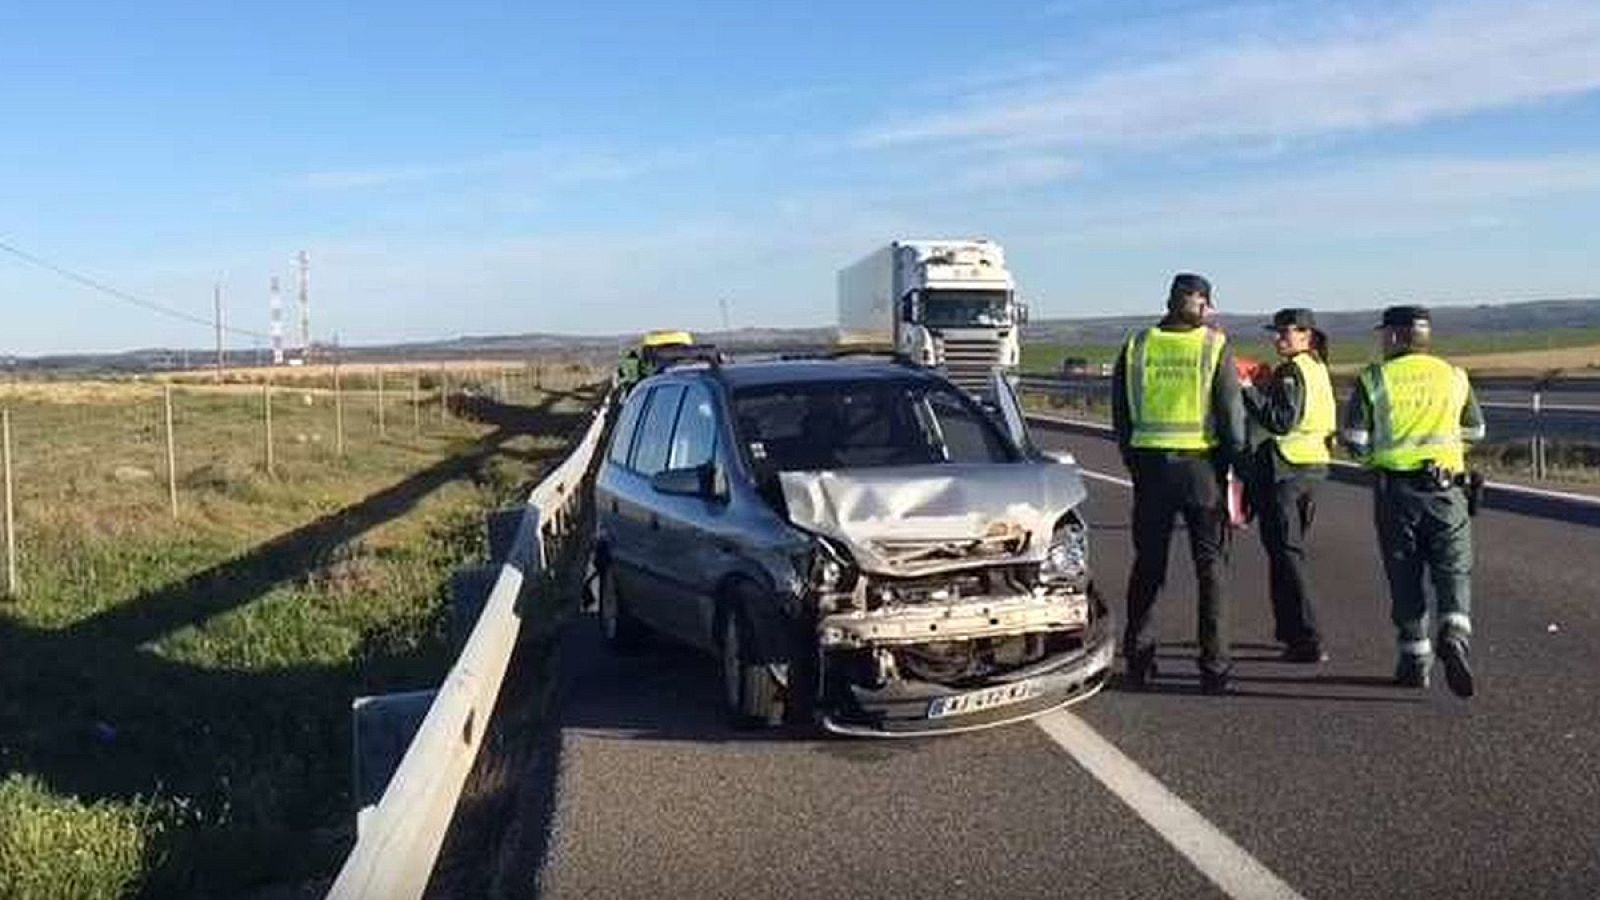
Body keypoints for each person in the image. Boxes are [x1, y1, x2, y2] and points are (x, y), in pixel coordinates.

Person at [1112, 273, 1248, 693]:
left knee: (1149, 565)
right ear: (1203, 305)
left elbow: (1121, 413)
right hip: (1201, 470)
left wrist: (1135, 461)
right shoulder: (1213, 346)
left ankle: (1138, 657)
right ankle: (1214, 665)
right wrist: (1234, 464)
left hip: (1151, 468)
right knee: (1211, 568)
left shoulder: (1136, 345)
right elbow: (1231, 415)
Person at [1341, 305, 1486, 697]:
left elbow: (1354, 442)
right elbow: (1475, 429)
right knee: (1453, 569)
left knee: (1405, 577)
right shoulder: (1454, 377)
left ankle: (1415, 662)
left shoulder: (1375, 379)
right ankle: (1454, 633)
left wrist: (1380, 460)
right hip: (1448, 490)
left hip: (1397, 493)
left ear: (1393, 336)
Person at [1241, 308, 1336, 663]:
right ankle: (1291, 633)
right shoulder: (1317, 367)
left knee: (1287, 556)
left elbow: (1281, 422)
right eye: (1276, 332)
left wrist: (1249, 390)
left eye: (1285, 333)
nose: (1277, 338)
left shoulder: (1292, 372)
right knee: (1285, 555)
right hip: (1313, 468)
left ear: (1306, 335)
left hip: (1288, 470)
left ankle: (1309, 637)